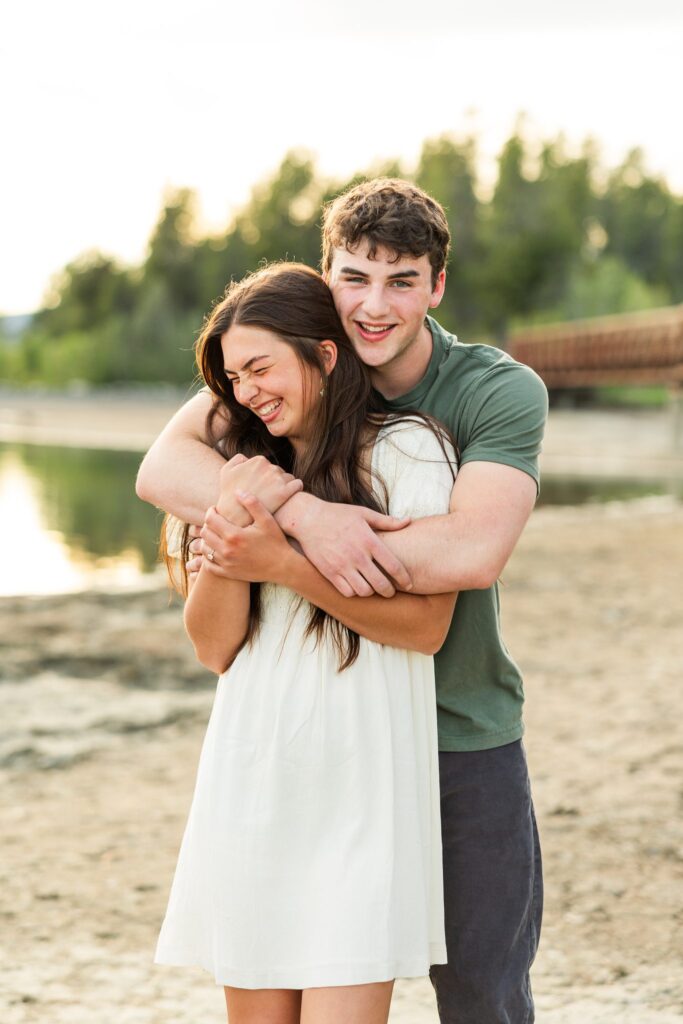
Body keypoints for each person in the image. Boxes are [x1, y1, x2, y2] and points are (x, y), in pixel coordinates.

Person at [138, 178, 549, 1024]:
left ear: (436, 286)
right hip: (300, 741)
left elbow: (469, 553)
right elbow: (161, 470)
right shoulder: (269, 388)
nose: (373, 304)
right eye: (354, 278)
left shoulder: (483, 397)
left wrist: (284, 553)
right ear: (325, 281)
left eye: (402, 281)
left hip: (457, 728)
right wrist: (304, 511)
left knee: (479, 986)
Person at [153, 261, 459, 1024]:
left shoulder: (408, 452)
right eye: (233, 377)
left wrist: (281, 562)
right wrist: (234, 542)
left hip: (363, 790)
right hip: (252, 780)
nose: (249, 390)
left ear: (324, 355)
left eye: (261, 366)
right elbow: (214, 648)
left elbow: (424, 627)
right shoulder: (238, 470)